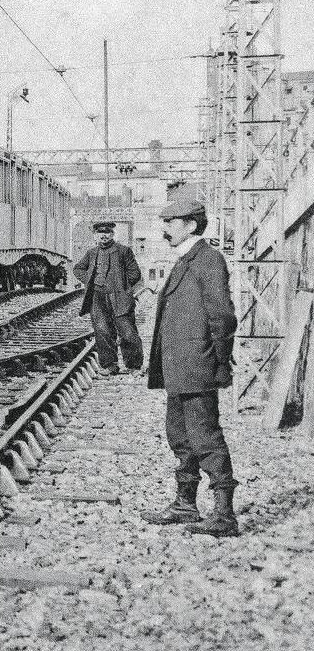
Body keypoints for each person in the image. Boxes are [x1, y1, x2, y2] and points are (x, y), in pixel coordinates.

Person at [141, 199, 239, 537]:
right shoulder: (187, 259)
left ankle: (224, 515)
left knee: (206, 438)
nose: (164, 227)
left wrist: (219, 361)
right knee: (180, 436)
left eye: (171, 221)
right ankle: (185, 504)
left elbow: (223, 316)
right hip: (180, 368)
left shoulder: (207, 259)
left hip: (196, 366)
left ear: (192, 225)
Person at [72, 221, 145, 375]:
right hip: (97, 297)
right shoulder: (91, 253)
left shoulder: (124, 251)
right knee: (102, 331)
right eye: (100, 233)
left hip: (119, 297)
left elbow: (135, 273)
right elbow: (77, 268)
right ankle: (110, 365)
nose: (103, 236)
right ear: (95, 235)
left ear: (112, 234)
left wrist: (123, 287)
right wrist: (89, 280)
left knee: (127, 331)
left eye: (107, 233)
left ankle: (134, 366)